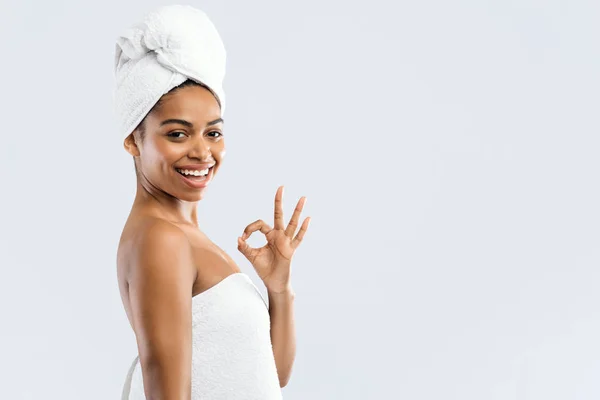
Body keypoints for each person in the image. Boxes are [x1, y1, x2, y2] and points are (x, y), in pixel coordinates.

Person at [114, 5, 311, 399]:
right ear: (134, 140)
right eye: (177, 134)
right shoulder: (161, 239)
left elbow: (275, 373)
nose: (203, 153)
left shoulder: (185, 237)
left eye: (214, 133)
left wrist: (278, 287)